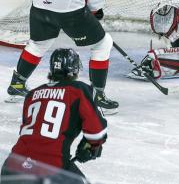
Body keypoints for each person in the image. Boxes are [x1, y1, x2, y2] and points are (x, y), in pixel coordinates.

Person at [1, 48, 107, 182]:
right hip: (49, 168)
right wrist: (92, 146)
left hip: (12, 166)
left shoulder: (32, 94)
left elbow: (34, 132)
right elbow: (96, 132)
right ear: (75, 69)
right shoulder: (78, 90)